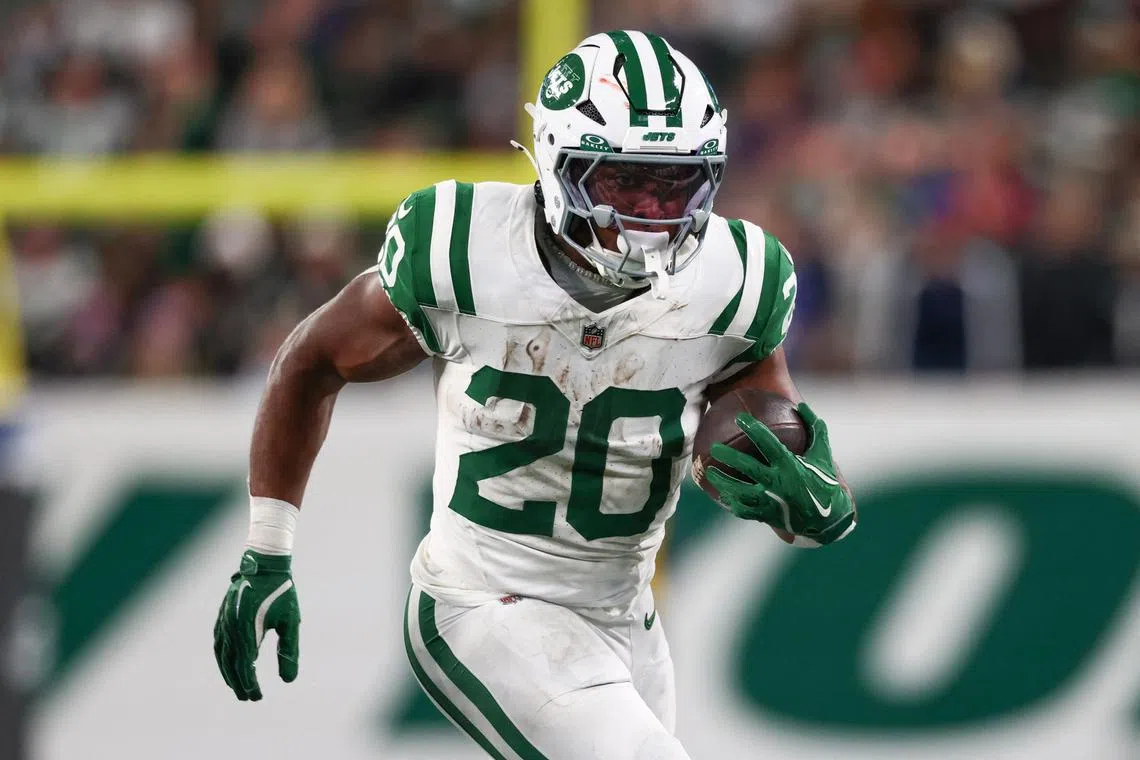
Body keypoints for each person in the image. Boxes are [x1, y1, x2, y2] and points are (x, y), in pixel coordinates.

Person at [212, 30, 856, 759]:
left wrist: (817, 500)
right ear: (560, 161)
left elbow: (771, 443)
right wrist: (268, 550)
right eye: (625, 183)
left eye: (674, 184)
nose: (652, 214)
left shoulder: (737, 280)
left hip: (624, 618)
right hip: (479, 601)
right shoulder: (464, 249)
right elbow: (311, 360)